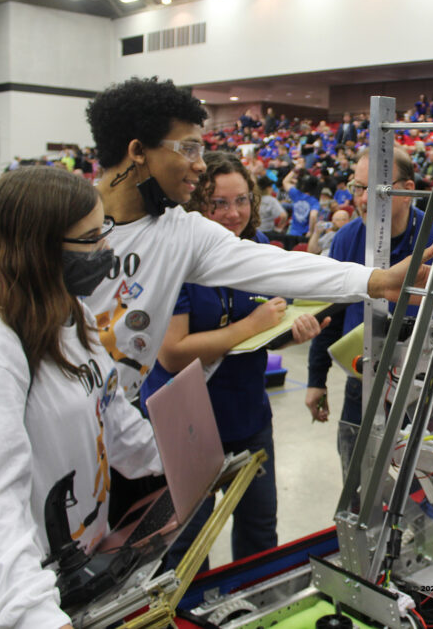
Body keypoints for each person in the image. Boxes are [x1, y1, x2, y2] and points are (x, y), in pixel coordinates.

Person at [82, 77, 433, 522]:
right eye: (188, 148)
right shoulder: (62, 221)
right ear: (137, 151)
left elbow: (276, 265)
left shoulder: (180, 232)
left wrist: (376, 282)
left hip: (121, 429)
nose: (200, 164)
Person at [0, 167, 162, 629]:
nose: (105, 248)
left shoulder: (74, 312)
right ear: (37, 250)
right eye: (89, 239)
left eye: (104, 230)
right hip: (27, 594)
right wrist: (33, 612)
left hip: (83, 572)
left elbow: (114, 420)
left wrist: (182, 464)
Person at [137, 152, 327, 568]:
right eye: (218, 203)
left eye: (241, 200)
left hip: (248, 418)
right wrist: (251, 325)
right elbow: (172, 352)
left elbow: (266, 332)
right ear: (196, 205)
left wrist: (286, 332)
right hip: (186, 426)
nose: (233, 213)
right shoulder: (179, 256)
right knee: (188, 547)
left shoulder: (256, 247)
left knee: (260, 531)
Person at [306, 147, 433, 477]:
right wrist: (316, 379)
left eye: (373, 190)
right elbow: (330, 314)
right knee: (358, 478)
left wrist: (414, 337)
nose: (361, 200)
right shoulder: (347, 238)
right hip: (362, 379)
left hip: (425, 385)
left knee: (431, 480)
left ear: (405, 190)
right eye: (357, 188)